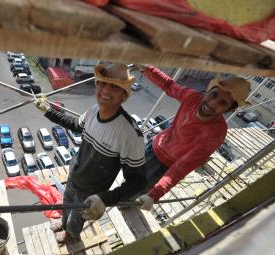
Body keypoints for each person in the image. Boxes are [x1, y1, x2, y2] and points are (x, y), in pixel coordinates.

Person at [34, 63, 147, 243]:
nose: (105, 90)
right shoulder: (93, 112)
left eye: (115, 87)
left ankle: (71, 235)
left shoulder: (130, 134)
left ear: (124, 95)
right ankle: (64, 224)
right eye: (102, 83)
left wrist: (104, 199)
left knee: (76, 219)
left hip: (92, 191)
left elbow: (138, 181)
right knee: (66, 205)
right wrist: (48, 110)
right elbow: (75, 125)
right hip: (75, 175)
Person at [135, 66, 251, 210]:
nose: (212, 104)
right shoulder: (193, 97)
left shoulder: (216, 133)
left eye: (223, 103)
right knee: (130, 175)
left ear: (228, 110)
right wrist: (146, 68)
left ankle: (125, 205)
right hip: (154, 144)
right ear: (207, 91)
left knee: (134, 193)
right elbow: (169, 85)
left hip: (163, 166)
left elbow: (182, 167)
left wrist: (154, 194)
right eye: (214, 95)